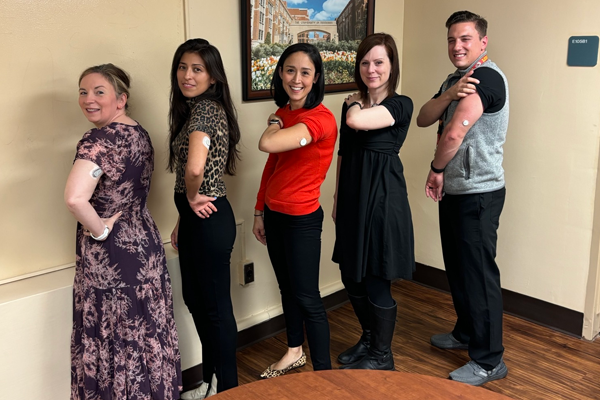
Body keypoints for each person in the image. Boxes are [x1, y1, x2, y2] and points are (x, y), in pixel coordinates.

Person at [65, 64, 182, 399]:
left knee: (115, 336)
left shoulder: (98, 140)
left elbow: (75, 198)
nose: (88, 99)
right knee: (145, 331)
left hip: (111, 256)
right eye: (83, 91)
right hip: (145, 243)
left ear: (121, 98)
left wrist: (100, 231)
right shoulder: (138, 133)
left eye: (99, 91)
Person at [416, 10, 509, 386]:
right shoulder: (456, 79)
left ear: (482, 42)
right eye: (452, 39)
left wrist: (436, 169)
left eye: (466, 39)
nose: (457, 46)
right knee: (458, 269)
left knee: (479, 275)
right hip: (458, 190)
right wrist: (449, 92)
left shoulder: (486, 77)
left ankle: (489, 361)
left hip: (479, 193)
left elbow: (454, 133)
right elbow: (424, 117)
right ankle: (466, 332)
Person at [252, 43, 337, 378]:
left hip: (301, 220)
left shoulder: (321, 118)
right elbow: (271, 165)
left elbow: (267, 143)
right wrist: (259, 211)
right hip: (274, 216)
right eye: (290, 70)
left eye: (305, 72)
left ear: (316, 79)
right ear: (280, 73)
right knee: (287, 290)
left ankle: (326, 375)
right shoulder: (284, 113)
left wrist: (273, 122)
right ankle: (293, 351)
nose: (296, 78)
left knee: (308, 298)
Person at [331, 33, 414, 371]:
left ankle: (382, 354)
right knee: (351, 273)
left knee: (376, 275)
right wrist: (337, 196)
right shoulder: (350, 102)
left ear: (391, 66)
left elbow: (356, 121)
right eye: (365, 62)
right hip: (353, 194)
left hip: (383, 197)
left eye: (379, 62)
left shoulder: (400, 104)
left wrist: (353, 102)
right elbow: (344, 152)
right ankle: (369, 337)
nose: (371, 69)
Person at [167, 39, 241, 397]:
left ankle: (229, 390)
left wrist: (192, 197)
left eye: (197, 68)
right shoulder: (196, 109)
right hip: (196, 221)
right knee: (197, 302)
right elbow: (191, 169)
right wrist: (184, 214)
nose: (187, 75)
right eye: (182, 67)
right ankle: (211, 383)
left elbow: (195, 167)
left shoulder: (206, 110)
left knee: (215, 310)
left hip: (210, 221)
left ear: (213, 77)